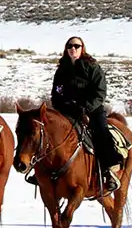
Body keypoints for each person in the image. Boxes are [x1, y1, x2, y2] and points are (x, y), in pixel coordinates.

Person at [50, 34, 121, 193]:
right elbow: (55, 94)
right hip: (67, 112)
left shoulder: (92, 67)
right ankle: (45, 170)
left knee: (101, 132)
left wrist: (86, 108)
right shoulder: (61, 70)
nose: (73, 49)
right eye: (70, 46)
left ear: (82, 49)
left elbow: (100, 92)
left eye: (76, 46)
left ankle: (109, 170)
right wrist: (63, 106)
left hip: (92, 110)